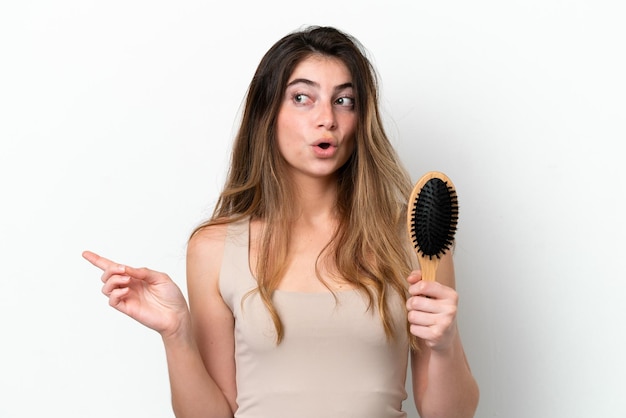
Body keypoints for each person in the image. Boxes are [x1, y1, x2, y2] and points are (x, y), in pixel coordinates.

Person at [83, 25, 479, 418]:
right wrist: (176, 334)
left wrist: (445, 342)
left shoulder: (413, 241)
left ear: (362, 120)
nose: (327, 118)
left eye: (344, 100)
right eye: (303, 98)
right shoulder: (215, 248)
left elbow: (451, 415)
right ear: (267, 113)